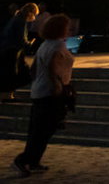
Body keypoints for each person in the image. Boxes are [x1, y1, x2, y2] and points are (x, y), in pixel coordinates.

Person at [14, 13, 73, 177]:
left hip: (40, 90)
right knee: (44, 129)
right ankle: (24, 159)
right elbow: (52, 66)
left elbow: (34, 69)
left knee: (39, 128)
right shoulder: (57, 47)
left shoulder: (45, 44)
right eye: (67, 27)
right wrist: (56, 85)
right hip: (50, 91)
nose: (70, 29)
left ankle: (33, 160)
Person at [2, 4, 38, 93]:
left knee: (13, 72)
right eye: (34, 14)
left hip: (8, 48)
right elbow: (21, 38)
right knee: (13, 72)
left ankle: (9, 94)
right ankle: (8, 94)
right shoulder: (20, 21)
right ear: (30, 13)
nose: (34, 17)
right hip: (12, 49)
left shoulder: (16, 18)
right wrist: (30, 44)